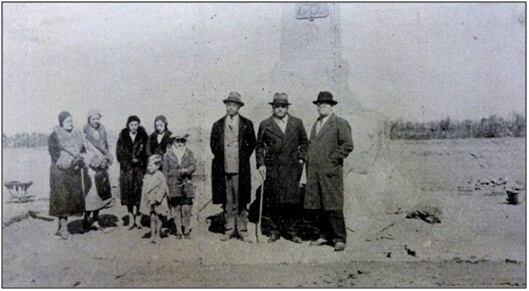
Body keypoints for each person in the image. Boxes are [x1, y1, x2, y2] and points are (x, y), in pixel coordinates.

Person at [255, 93, 308, 243]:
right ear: (272, 107)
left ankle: (292, 231)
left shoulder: (297, 123)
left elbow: (304, 143)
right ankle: (274, 230)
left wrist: (301, 158)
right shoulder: (265, 124)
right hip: (274, 168)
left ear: (287, 107)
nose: (279, 109)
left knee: (292, 200)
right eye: (276, 106)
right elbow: (259, 146)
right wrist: (261, 164)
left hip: (292, 167)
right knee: (274, 200)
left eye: (282, 106)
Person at [304, 91, 353, 252]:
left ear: (331, 106)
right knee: (318, 205)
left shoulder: (339, 123)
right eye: (319, 104)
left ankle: (339, 238)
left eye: (324, 104)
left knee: (333, 204)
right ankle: (322, 235)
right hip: (315, 172)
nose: (321, 107)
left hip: (331, 172)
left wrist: (332, 160)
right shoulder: (317, 124)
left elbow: (347, 144)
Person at [210, 92, 256, 242]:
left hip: (240, 167)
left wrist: (241, 157)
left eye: (234, 105)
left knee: (241, 198)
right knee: (228, 199)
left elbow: (251, 144)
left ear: (238, 107)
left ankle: (242, 229)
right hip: (223, 168)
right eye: (228, 105)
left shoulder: (247, 124)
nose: (230, 107)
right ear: (226, 106)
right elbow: (214, 145)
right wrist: (224, 155)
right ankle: (229, 229)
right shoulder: (217, 124)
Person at [48, 111, 88, 239]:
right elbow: (55, 155)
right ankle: (63, 227)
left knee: (72, 197)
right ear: (61, 123)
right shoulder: (54, 136)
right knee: (62, 198)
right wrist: (70, 162)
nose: (70, 123)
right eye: (67, 121)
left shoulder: (77, 135)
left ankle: (62, 227)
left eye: (71, 121)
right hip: (59, 172)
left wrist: (81, 159)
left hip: (74, 171)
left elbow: (83, 151)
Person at [83, 109, 115, 232]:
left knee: (100, 192)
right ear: (89, 120)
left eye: (97, 119)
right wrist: (94, 161)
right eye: (93, 119)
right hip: (91, 168)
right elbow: (84, 151)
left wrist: (107, 159)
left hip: (102, 166)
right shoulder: (85, 134)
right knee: (89, 194)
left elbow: (106, 148)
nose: (96, 121)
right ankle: (86, 220)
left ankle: (96, 220)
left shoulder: (103, 132)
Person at [116, 115, 149, 230]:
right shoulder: (123, 137)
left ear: (138, 125)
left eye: (136, 124)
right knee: (128, 194)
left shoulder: (143, 137)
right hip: (127, 170)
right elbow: (119, 154)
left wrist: (140, 161)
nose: (134, 127)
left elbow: (147, 153)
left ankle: (138, 219)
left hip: (139, 169)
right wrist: (129, 160)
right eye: (131, 125)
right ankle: (131, 218)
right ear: (128, 125)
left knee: (139, 193)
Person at [163, 132, 197, 239]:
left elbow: (193, 165)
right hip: (173, 184)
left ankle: (186, 230)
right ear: (174, 141)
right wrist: (166, 186)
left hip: (186, 183)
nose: (180, 143)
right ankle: (178, 231)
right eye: (178, 141)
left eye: (183, 141)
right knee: (176, 207)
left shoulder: (189, 153)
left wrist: (187, 170)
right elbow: (165, 172)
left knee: (186, 208)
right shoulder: (167, 155)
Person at [140, 154, 170, 244]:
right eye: (148, 166)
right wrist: (147, 199)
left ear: (157, 166)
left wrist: (156, 200)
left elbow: (163, 189)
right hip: (150, 201)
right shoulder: (148, 176)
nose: (149, 168)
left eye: (151, 166)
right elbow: (145, 190)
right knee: (152, 218)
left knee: (159, 218)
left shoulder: (160, 176)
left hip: (158, 201)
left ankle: (158, 234)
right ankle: (152, 235)